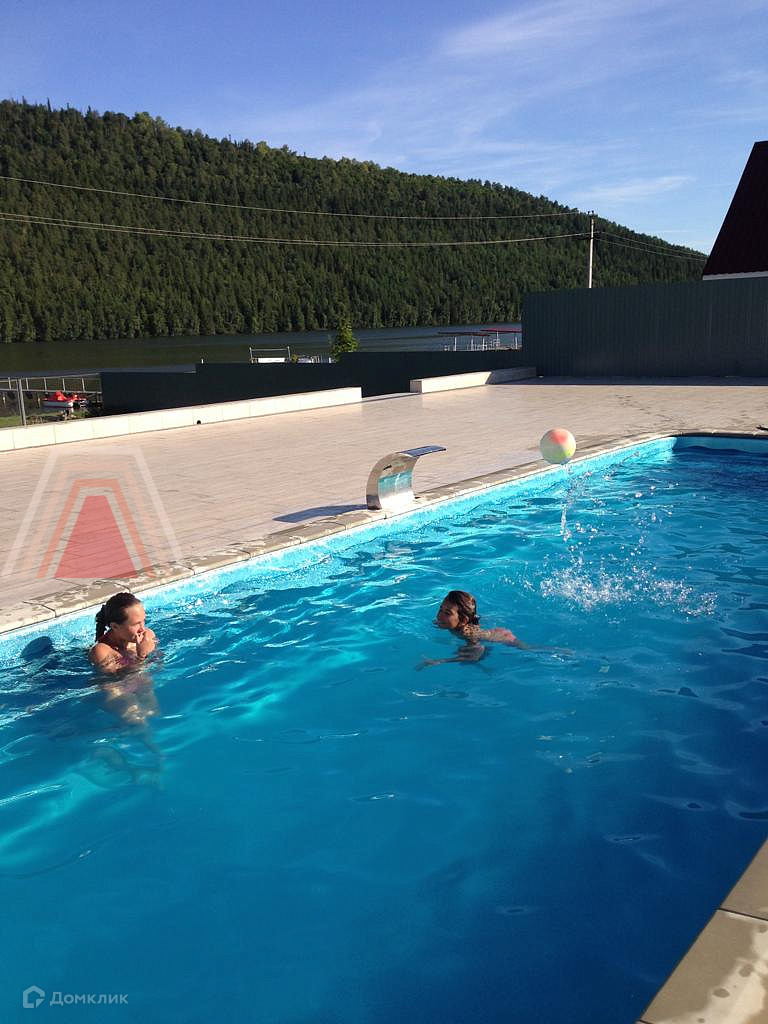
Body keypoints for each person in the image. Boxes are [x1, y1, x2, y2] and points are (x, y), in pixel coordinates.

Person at [88, 592, 158, 724]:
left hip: (142, 683)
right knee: (137, 721)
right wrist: (141, 656)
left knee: (154, 712)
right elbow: (115, 681)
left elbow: (159, 666)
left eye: (143, 621)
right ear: (115, 626)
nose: (142, 629)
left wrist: (152, 657)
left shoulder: (148, 635)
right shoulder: (101, 651)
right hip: (117, 690)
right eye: (136, 624)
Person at [420, 589, 536, 668]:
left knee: (531, 650)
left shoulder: (466, 633)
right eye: (440, 609)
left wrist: (440, 661)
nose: (439, 616)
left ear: (464, 621)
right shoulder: (453, 623)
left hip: (503, 637)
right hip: (492, 630)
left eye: (447, 613)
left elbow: (477, 652)